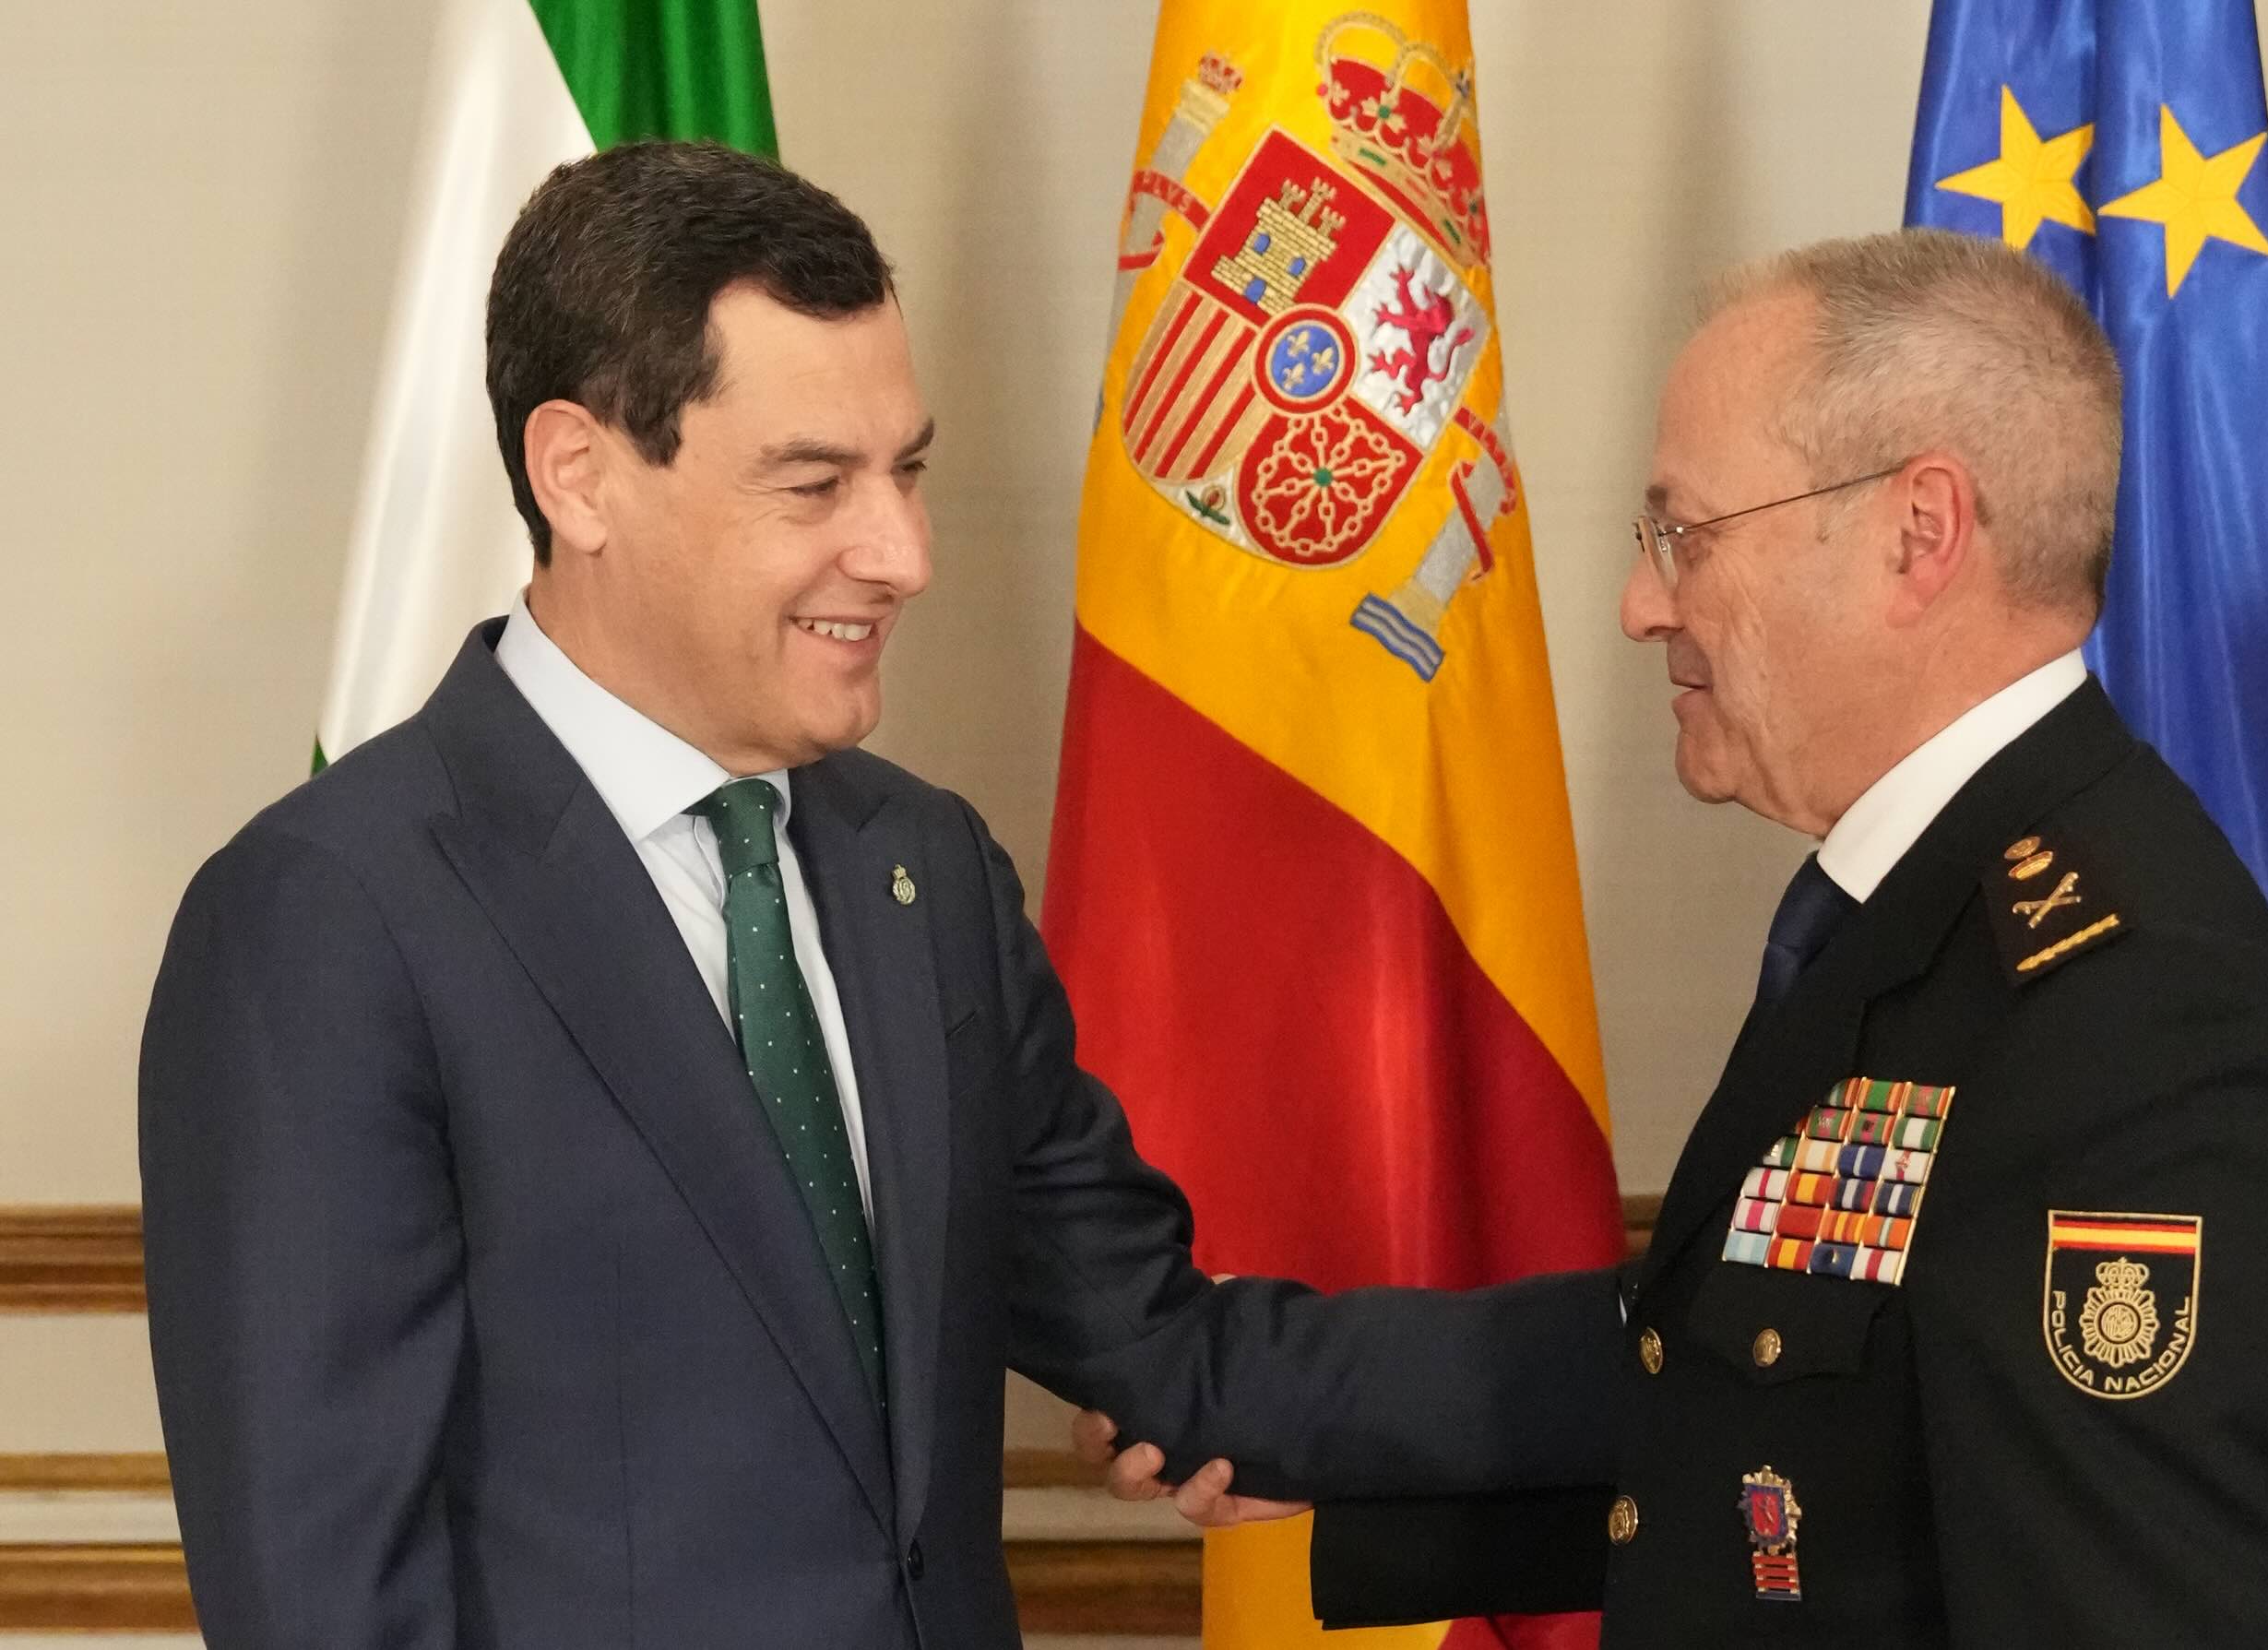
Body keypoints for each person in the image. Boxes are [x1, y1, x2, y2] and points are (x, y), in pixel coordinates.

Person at [140, 140, 1611, 1650]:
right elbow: (326, 1601)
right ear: (577, 473)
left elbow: (1166, 1351)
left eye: (905, 469)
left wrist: (1690, 1345)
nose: (900, 552)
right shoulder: (331, 915)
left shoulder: (922, 867)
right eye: (814, 483)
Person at [1079, 229, 2268, 1646]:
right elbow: (1743, 1391)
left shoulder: (2122, 1011)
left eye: (1683, 534)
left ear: (1916, 533)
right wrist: (1240, 1390)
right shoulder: (1929, 913)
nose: (1643, 604)